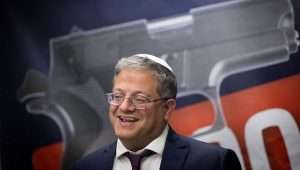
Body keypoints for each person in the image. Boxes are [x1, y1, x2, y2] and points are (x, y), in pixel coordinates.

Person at [72, 54, 242, 170]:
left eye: (139, 99)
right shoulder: (85, 168)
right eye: (117, 96)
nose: (124, 107)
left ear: (167, 108)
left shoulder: (214, 163)